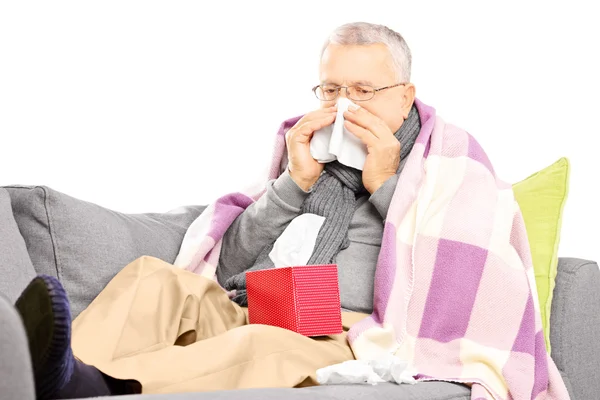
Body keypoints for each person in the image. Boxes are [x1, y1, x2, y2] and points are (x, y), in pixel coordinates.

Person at [12, 21, 567, 400]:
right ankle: (40, 378)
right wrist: (291, 185)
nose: (343, 105)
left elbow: (463, 271)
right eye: (330, 89)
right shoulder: (297, 152)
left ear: (405, 95)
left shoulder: (450, 162)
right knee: (154, 280)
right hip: (257, 303)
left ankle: (98, 385)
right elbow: (226, 266)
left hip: (347, 335)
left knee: (258, 346)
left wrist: (385, 186)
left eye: (364, 90)